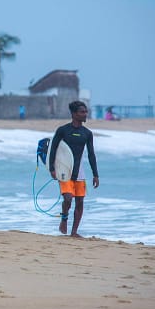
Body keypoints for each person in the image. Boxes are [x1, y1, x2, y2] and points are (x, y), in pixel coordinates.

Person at [48, 101, 99, 238]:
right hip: (65, 171)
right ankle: (64, 218)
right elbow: (53, 149)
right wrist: (52, 168)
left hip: (79, 173)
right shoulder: (63, 130)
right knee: (68, 198)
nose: (85, 114)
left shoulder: (87, 133)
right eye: (82, 112)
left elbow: (91, 154)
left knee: (80, 201)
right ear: (74, 114)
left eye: (85, 111)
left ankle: (74, 232)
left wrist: (95, 174)